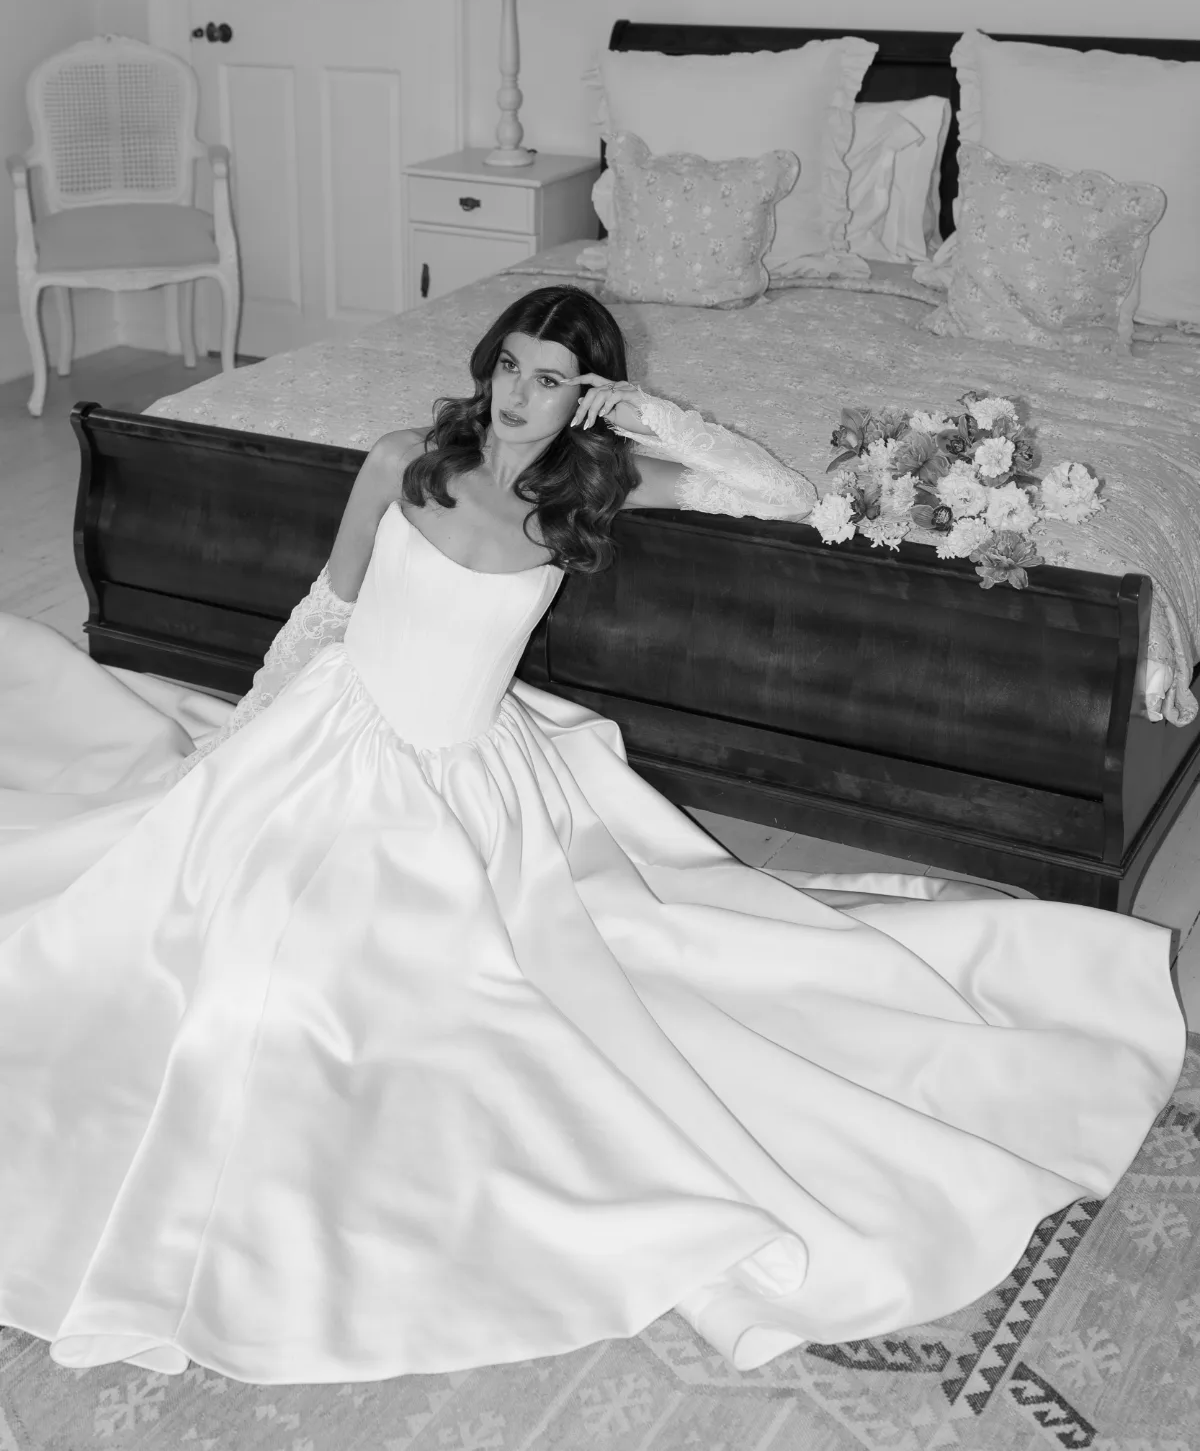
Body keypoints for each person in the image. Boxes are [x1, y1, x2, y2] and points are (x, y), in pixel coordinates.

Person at [0, 284, 1184, 1385]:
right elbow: (329, 608)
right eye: (511, 364)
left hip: (466, 784)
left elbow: (776, 495)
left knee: (496, 995)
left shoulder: (582, 498)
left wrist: (645, 414)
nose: (518, 393)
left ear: (585, 399)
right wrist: (244, 738)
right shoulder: (401, 464)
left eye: (554, 377)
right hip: (325, 742)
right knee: (200, 956)